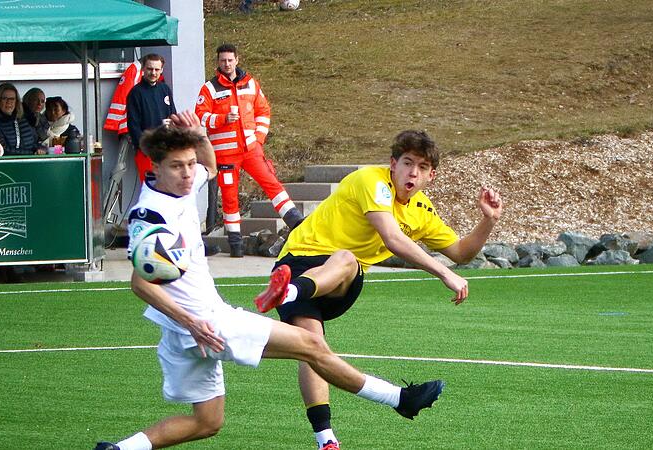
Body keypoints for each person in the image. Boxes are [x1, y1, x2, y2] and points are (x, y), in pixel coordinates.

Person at [93, 112, 445, 450]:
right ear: (154, 167)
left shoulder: (182, 184)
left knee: (207, 422)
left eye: (189, 163)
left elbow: (210, 167)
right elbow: (141, 284)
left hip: (186, 329)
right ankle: (400, 399)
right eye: (177, 166)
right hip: (204, 321)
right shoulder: (150, 214)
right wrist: (192, 322)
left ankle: (119, 449)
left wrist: (200, 137)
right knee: (311, 345)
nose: (188, 174)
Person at [253, 130, 503, 450]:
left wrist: (488, 221)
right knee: (311, 346)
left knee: (344, 259)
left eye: (422, 167)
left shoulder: (422, 211)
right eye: (407, 162)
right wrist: (444, 274)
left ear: (431, 176)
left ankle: (287, 294)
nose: (413, 172)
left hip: (336, 280)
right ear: (392, 164)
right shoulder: (370, 180)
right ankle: (326, 439)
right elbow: (392, 238)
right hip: (296, 264)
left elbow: (461, 252)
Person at [195, 43, 304, 258]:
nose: (226, 64)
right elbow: (201, 116)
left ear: (237, 60)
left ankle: (296, 221)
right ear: (218, 62)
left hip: (251, 149)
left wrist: (259, 138)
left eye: (230, 60)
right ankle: (235, 243)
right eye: (222, 60)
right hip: (225, 153)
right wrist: (222, 119)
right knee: (229, 197)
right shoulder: (209, 88)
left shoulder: (250, 83)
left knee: (271, 182)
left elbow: (263, 111)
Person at [126, 53, 176, 182]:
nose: (153, 73)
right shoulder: (135, 93)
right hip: (146, 151)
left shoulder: (165, 89)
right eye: (150, 69)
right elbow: (133, 126)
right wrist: (145, 148)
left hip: (166, 149)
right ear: (143, 69)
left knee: (169, 186)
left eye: (157, 69)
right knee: (151, 188)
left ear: (162, 70)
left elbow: (173, 115)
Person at [0, 83, 44, 156]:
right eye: (4, 98)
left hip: (29, 162)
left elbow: (33, 143)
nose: (9, 102)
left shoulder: (22, 119)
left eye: (12, 99)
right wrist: (31, 153)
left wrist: (40, 149)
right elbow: (3, 149)